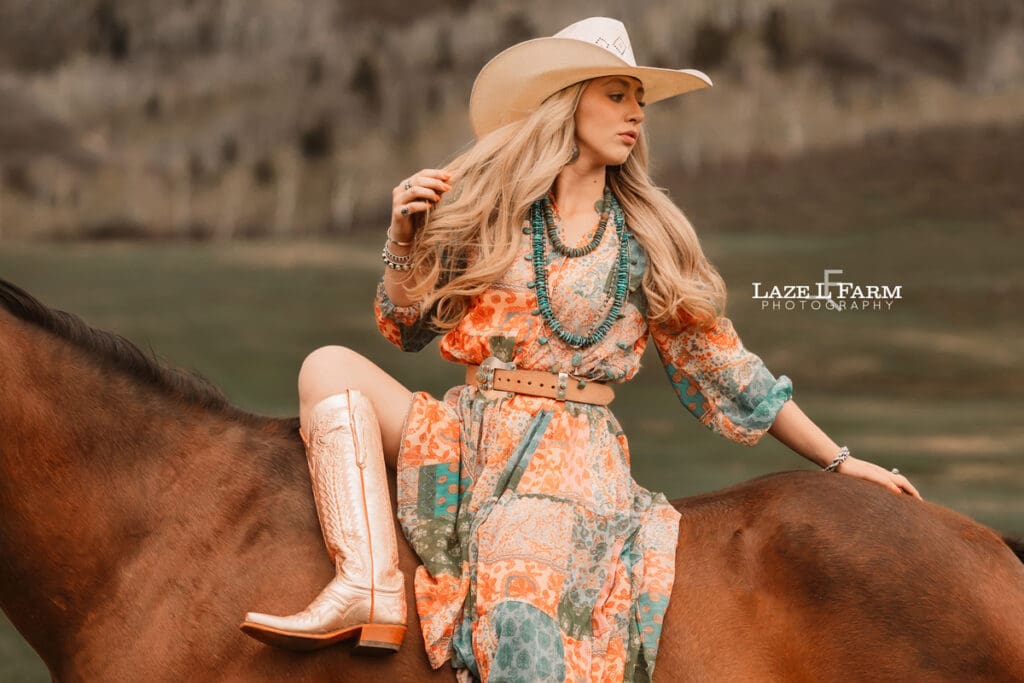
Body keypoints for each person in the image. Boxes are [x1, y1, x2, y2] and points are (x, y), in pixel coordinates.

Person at [239, 16, 922, 681]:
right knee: (326, 366)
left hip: (568, 460)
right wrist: (401, 239)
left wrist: (839, 460)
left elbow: (725, 367)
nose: (636, 114)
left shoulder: (646, 237)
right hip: (466, 434)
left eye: (639, 100)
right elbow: (406, 327)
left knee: (521, 602)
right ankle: (367, 583)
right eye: (617, 95)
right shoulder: (494, 214)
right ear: (567, 104)